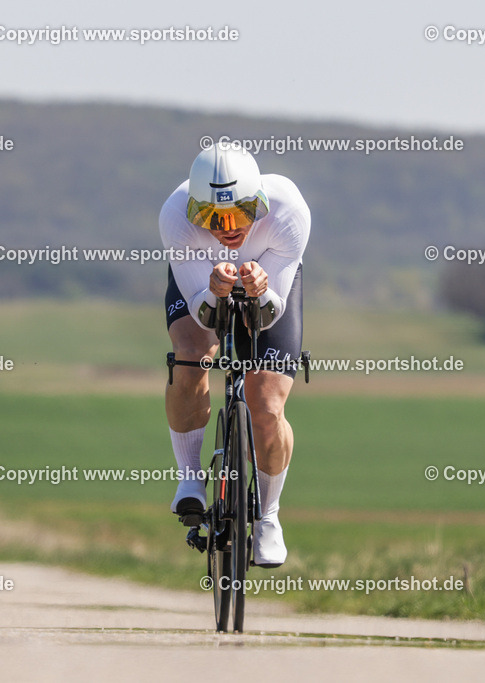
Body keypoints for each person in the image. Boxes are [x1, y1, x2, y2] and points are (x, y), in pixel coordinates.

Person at [160, 143, 310, 568]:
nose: (228, 229)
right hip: (202, 279)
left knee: (266, 406)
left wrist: (261, 290)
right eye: (212, 218)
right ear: (193, 211)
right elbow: (203, 314)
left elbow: (268, 314)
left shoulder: (288, 212)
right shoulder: (175, 218)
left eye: (240, 215)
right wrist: (213, 289)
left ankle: (268, 516)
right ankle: (189, 478)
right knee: (191, 357)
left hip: (270, 281)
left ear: (259, 204)